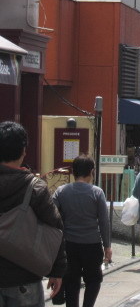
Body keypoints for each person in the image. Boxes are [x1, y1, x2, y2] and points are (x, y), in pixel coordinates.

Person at [0, 121, 66, 306]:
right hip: (25, 276)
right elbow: (56, 228)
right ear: (23, 152)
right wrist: (57, 270)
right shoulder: (34, 187)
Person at [52, 155, 111, 307]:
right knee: (93, 280)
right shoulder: (97, 192)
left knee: (71, 281)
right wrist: (107, 246)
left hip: (68, 244)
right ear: (92, 171)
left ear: (73, 172)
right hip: (92, 243)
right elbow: (104, 221)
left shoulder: (61, 191)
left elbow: (51, 215)